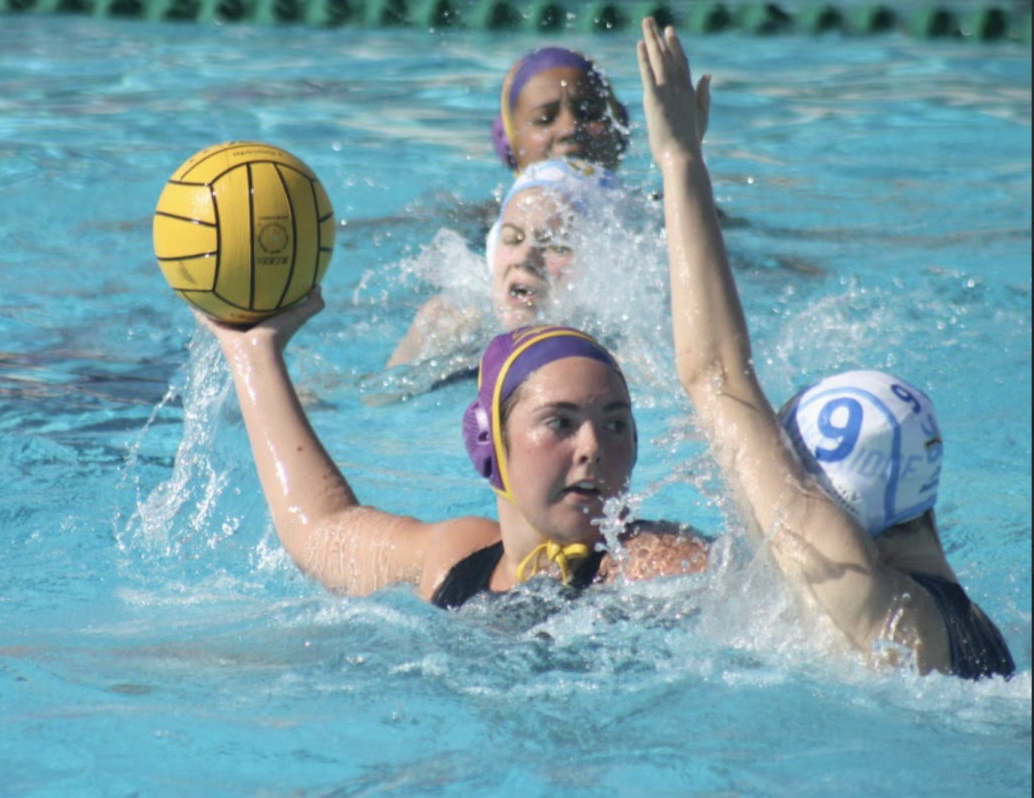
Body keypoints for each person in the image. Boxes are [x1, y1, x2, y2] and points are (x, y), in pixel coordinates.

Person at [636, 18, 1014, 679]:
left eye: (797, 473)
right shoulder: (985, 632)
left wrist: (681, 161)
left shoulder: (877, 608)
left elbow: (717, 376)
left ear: (832, 498)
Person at [196, 304, 708, 609]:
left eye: (616, 424)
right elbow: (323, 531)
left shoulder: (656, 565)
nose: (594, 447)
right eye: (561, 422)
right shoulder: (455, 560)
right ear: (487, 443)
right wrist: (252, 353)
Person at [386, 158, 621, 370]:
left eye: (557, 246)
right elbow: (378, 404)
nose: (524, 258)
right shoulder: (445, 317)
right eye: (512, 239)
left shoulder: (622, 353)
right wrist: (433, 358)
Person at [492, 45, 710, 175]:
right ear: (509, 142)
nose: (569, 128)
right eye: (544, 118)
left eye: (590, 114)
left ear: (619, 129)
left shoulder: (669, 216)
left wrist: (681, 158)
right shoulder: (483, 227)